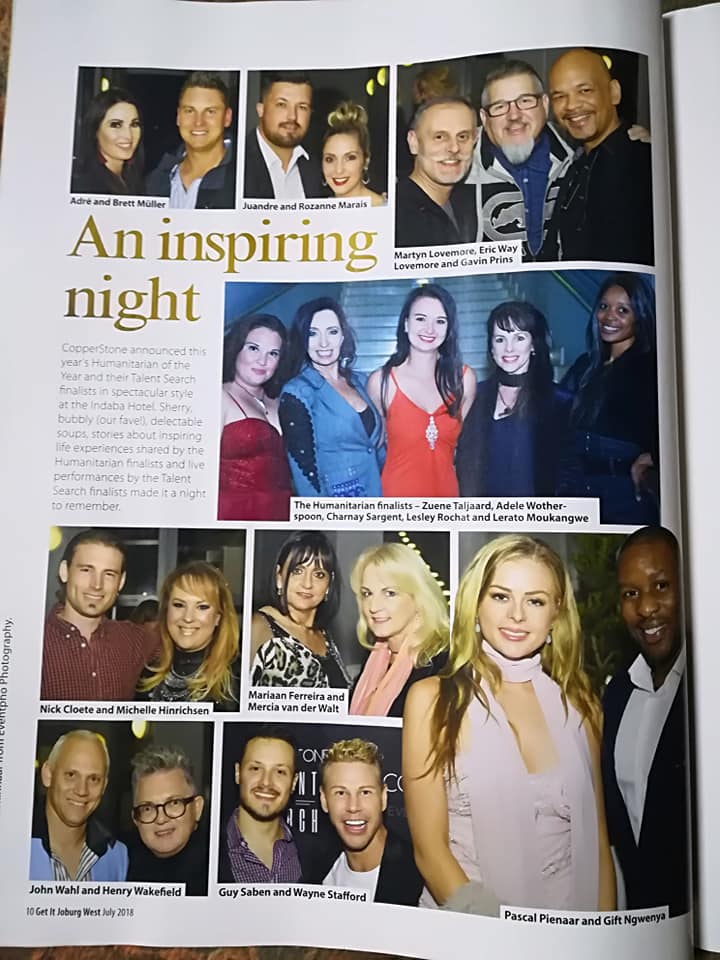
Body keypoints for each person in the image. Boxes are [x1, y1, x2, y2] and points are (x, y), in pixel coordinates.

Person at [403, 535, 615, 913]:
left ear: (556, 614)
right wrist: (502, 936)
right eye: (501, 596)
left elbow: (598, 844)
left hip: (569, 929)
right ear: (476, 604)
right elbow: (430, 851)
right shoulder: (432, 700)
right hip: (469, 926)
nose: (517, 615)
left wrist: (602, 935)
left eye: (535, 601)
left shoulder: (582, 707)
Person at [602, 527, 688, 916]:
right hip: (637, 921)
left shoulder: (707, 692)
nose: (646, 607)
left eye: (661, 586)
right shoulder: (617, 695)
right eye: (630, 593)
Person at [558, 273, 658, 525]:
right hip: (577, 487)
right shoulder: (584, 365)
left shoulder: (651, 367)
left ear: (641, 315)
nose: (609, 317)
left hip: (623, 491)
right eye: (604, 306)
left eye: (623, 310)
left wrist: (655, 456)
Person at [368, 284, 476, 497]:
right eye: (420, 319)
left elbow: (460, 448)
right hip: (396, 500)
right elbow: (372, 448)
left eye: (440, 321)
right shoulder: (381, 382)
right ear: (405, 324)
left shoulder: (464, 380)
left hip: (446, 499)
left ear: (449, 328)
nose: (430, 329)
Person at [549, 48, 653, 264]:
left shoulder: (646, 161)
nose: (572, 105)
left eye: (585, 90)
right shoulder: (573, 167)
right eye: (560, 96)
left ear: (614, 92)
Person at [455, 301, 569, 497]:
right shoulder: (474, 397)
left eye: (519, 338)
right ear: (491, 348)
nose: (508, 348)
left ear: (533, 345)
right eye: (500, 339)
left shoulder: (560, 402)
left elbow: (568, 475)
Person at [466, 61, 573, 260]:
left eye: (525, 101)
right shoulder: (459, 163)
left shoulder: (576, 157)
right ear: (484, 118)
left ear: (545, 104)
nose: (514, 115)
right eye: (499, 106)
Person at [296, 739, 423, 906]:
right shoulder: (313, 870)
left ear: (383, 797)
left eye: (365, 792)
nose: (353, 807)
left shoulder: (421, 873)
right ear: (324, 800)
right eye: (341, 793)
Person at [279, 298, 384, 498]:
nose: (324, 343)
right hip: (337, 502)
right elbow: (304, 474)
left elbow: (375, 446)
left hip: (376, 493)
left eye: (332, 332)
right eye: (312, 333)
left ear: (343, 336)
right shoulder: (297, 392)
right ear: (302, 339)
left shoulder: (362, 381)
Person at [41, 529, 159, 701]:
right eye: (86, 570)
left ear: (121, 582)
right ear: (64, 572)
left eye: (109, 574)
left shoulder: (136, 640)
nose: (97, 585)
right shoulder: (30, 643)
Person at [349, 543, 449, 718]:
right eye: (367, 594)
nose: (373, 607)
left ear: (419, 598)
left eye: (390, 593)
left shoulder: (442, 666)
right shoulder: (375, 657)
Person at [251, 532, 351, 689]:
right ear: (279, 577)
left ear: (329, 584)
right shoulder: (260, 626)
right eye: (297, 571)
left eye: (318, 574)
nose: (307, 584)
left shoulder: (323, 635)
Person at [136, 561, 240, 711]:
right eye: (179, 605)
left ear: (218, 616)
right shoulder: (148, 673)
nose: (188, 618)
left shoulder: (237, 679)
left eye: (202, 607)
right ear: (166, 611)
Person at [218, 313, 292, 521]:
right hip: (235, 516)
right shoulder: (219, 396)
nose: (263, 361)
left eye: (273, 353)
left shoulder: (281, 402)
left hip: (281, 516)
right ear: (236, 348)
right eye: (253, 348)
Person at [30, 730, 127, 881]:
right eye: (71, 775)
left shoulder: (117, 856)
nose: (82, 790)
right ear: (48, 775)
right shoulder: (11, 844)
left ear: (104, 786)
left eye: (93, 779)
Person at [219, 729, 301, 883]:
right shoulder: (205, 853)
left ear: (294, 782)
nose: (266, 782)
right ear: (238, 773)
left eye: (280, 772)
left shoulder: (317, 857)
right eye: (256, 769)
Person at [395, 97, 478, 247]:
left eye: (462, 137)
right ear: (414, 142)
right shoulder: (394, 216)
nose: (454, 148)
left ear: (475, 140)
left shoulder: (476, 206)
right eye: (439, 137)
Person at [127, 744, 208, 896]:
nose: (161, 819)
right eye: (148, 808)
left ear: (197, 808)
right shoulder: (118, 870)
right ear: (135, 819)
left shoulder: (221, 869)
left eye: (174, 803)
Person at [146, 72, 235, 209]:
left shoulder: (243, 179)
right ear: (178, 117)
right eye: (189, 111)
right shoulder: (155, 181)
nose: (198, 122)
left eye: (210, 111)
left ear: (227, 117)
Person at [244, 72, 322, 200]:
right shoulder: (237, 163)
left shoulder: (319, 167)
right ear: (260, 109)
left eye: (302, 107)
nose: (292, 116)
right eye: (282, 105)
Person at [71, 88, 145, 195]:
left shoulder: (134, 175)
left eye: (134, 124)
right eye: (116, 125)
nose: (128, 135)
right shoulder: (85, 185)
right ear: (95, 130)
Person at [321, 102, 384, 206]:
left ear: (366, 161)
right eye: (330, 159)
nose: (339, 170)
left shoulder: (386, 209)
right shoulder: (318, 211)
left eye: (350, 158)